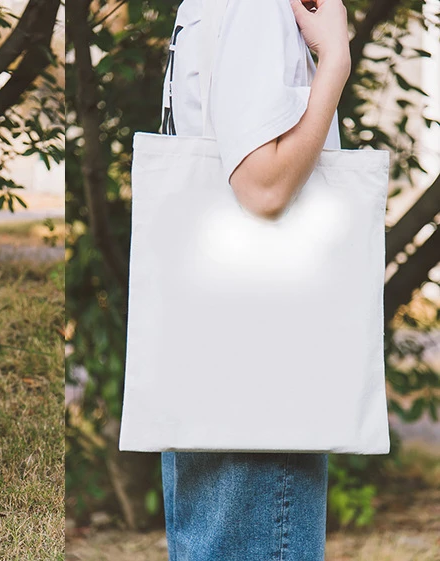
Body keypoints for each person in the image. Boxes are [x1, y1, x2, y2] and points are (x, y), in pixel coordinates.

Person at [159, 0, 349, 559]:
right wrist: (334, 60)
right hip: (263, 334)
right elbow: (262, 187)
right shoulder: (259, 6)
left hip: (212, 323)